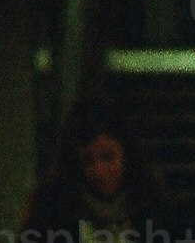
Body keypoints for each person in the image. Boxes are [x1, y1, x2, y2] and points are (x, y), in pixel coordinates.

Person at [22, 100, 167, 243]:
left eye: (108, 157)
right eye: (88, 161)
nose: (98, 171)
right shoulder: (53, 211)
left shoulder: (152, 208)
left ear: (126, 155)